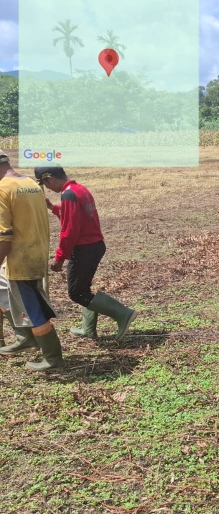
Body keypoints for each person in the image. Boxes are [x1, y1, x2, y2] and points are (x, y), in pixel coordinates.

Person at [35, 166, 138, 341]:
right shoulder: (79, 189)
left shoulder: (68, 194)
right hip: (95, 246)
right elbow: (74, 216)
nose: (48, 189)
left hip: (84, 249)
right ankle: (88, 328)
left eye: (46, 184)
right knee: (84, 288)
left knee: (77, 293)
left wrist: (60, 257)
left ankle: (123, 314)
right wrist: (52, 207)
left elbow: (69, 230)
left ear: (49, 179)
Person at [0, 149, 64, 370]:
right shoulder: (30, 184)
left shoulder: (2, 189)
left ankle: (53, 357)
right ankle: (27, 339)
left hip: (19, 259)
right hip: (37, 254)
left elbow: (4, 235)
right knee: (14, 297)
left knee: (33, 308)